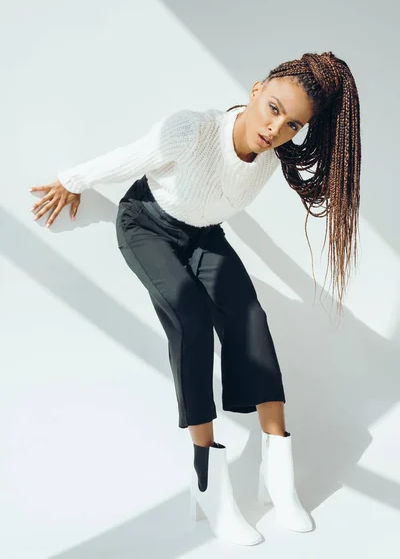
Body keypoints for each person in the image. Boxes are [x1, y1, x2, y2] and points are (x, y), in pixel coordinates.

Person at [29, 51, 361, 546]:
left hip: (204, 235)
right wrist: (71, 181)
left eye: (292, 125)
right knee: (188, 315)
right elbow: (128, 156)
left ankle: (278, 475)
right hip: (147, 224)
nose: (275, 128)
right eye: (272, 108)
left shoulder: (272, 157)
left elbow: (219, 196)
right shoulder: (189, 129)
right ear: (255, 89)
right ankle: (210, 482)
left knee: (250, 319)